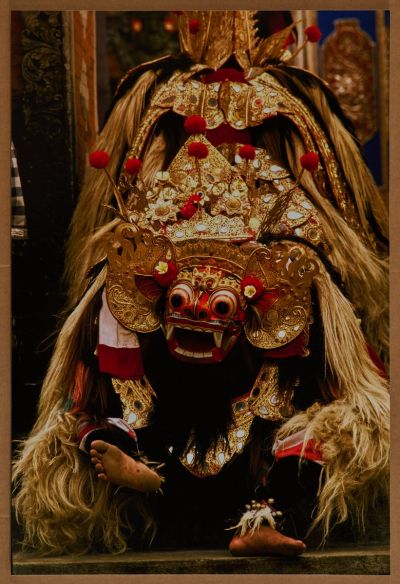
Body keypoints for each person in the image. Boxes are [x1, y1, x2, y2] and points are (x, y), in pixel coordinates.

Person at [13, 11, 389, 557]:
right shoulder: (171, 95)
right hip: (181, 243)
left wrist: (313, 247)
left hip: (256, 249)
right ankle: (134, 451)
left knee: (315, 370)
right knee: (114, 306)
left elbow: (331, 196)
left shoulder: (262, 98)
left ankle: (255, 496)